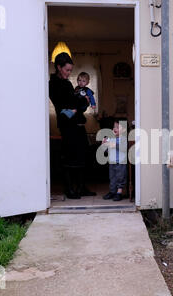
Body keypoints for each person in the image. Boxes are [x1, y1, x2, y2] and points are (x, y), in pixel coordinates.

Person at [49, 52, 96, 199]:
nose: (69, 73)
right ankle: (69, 189)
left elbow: (79, 103)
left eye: (70, 70)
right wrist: (79, 103)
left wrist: (78, 104)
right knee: (69, 157)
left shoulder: (69, 84)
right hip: (67, 125)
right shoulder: (53, 84)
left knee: (83, 155)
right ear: (58, 67)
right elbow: (67, 104)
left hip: (78, 123)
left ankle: (81, 188)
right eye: (67, 70)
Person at [102, 121, 128, 201]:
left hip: (121, 162)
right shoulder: (111, 138)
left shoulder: (123, 139)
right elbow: (106, 151)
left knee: (120, 177)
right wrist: (104, 144)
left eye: (117, 127)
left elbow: (123, 148)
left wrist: (112, 144)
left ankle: (119, 193)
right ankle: (112, 192)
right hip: (112, 161)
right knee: (112, 177)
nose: (115, 129)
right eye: (114, 127)